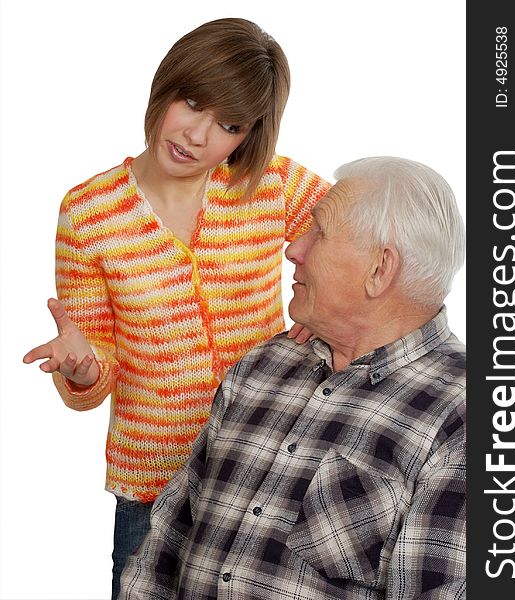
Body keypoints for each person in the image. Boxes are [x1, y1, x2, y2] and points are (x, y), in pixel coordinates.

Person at [22, 18, 330, 599]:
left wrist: (317, 315)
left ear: (248, 136)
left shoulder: (269, 185)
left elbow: (355, 235)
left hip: (262, 470)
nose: (198, 135)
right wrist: (83, 368)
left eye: (228, 125)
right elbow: (95, 372)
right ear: (167, 86)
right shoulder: (88, 215)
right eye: (192, 103)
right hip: (154, 485)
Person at [119, 156, 466, 600]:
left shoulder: (462, 417)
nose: (293, 249)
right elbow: (165, 546)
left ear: (379, 270)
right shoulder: (263, 366)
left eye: (318, 231)